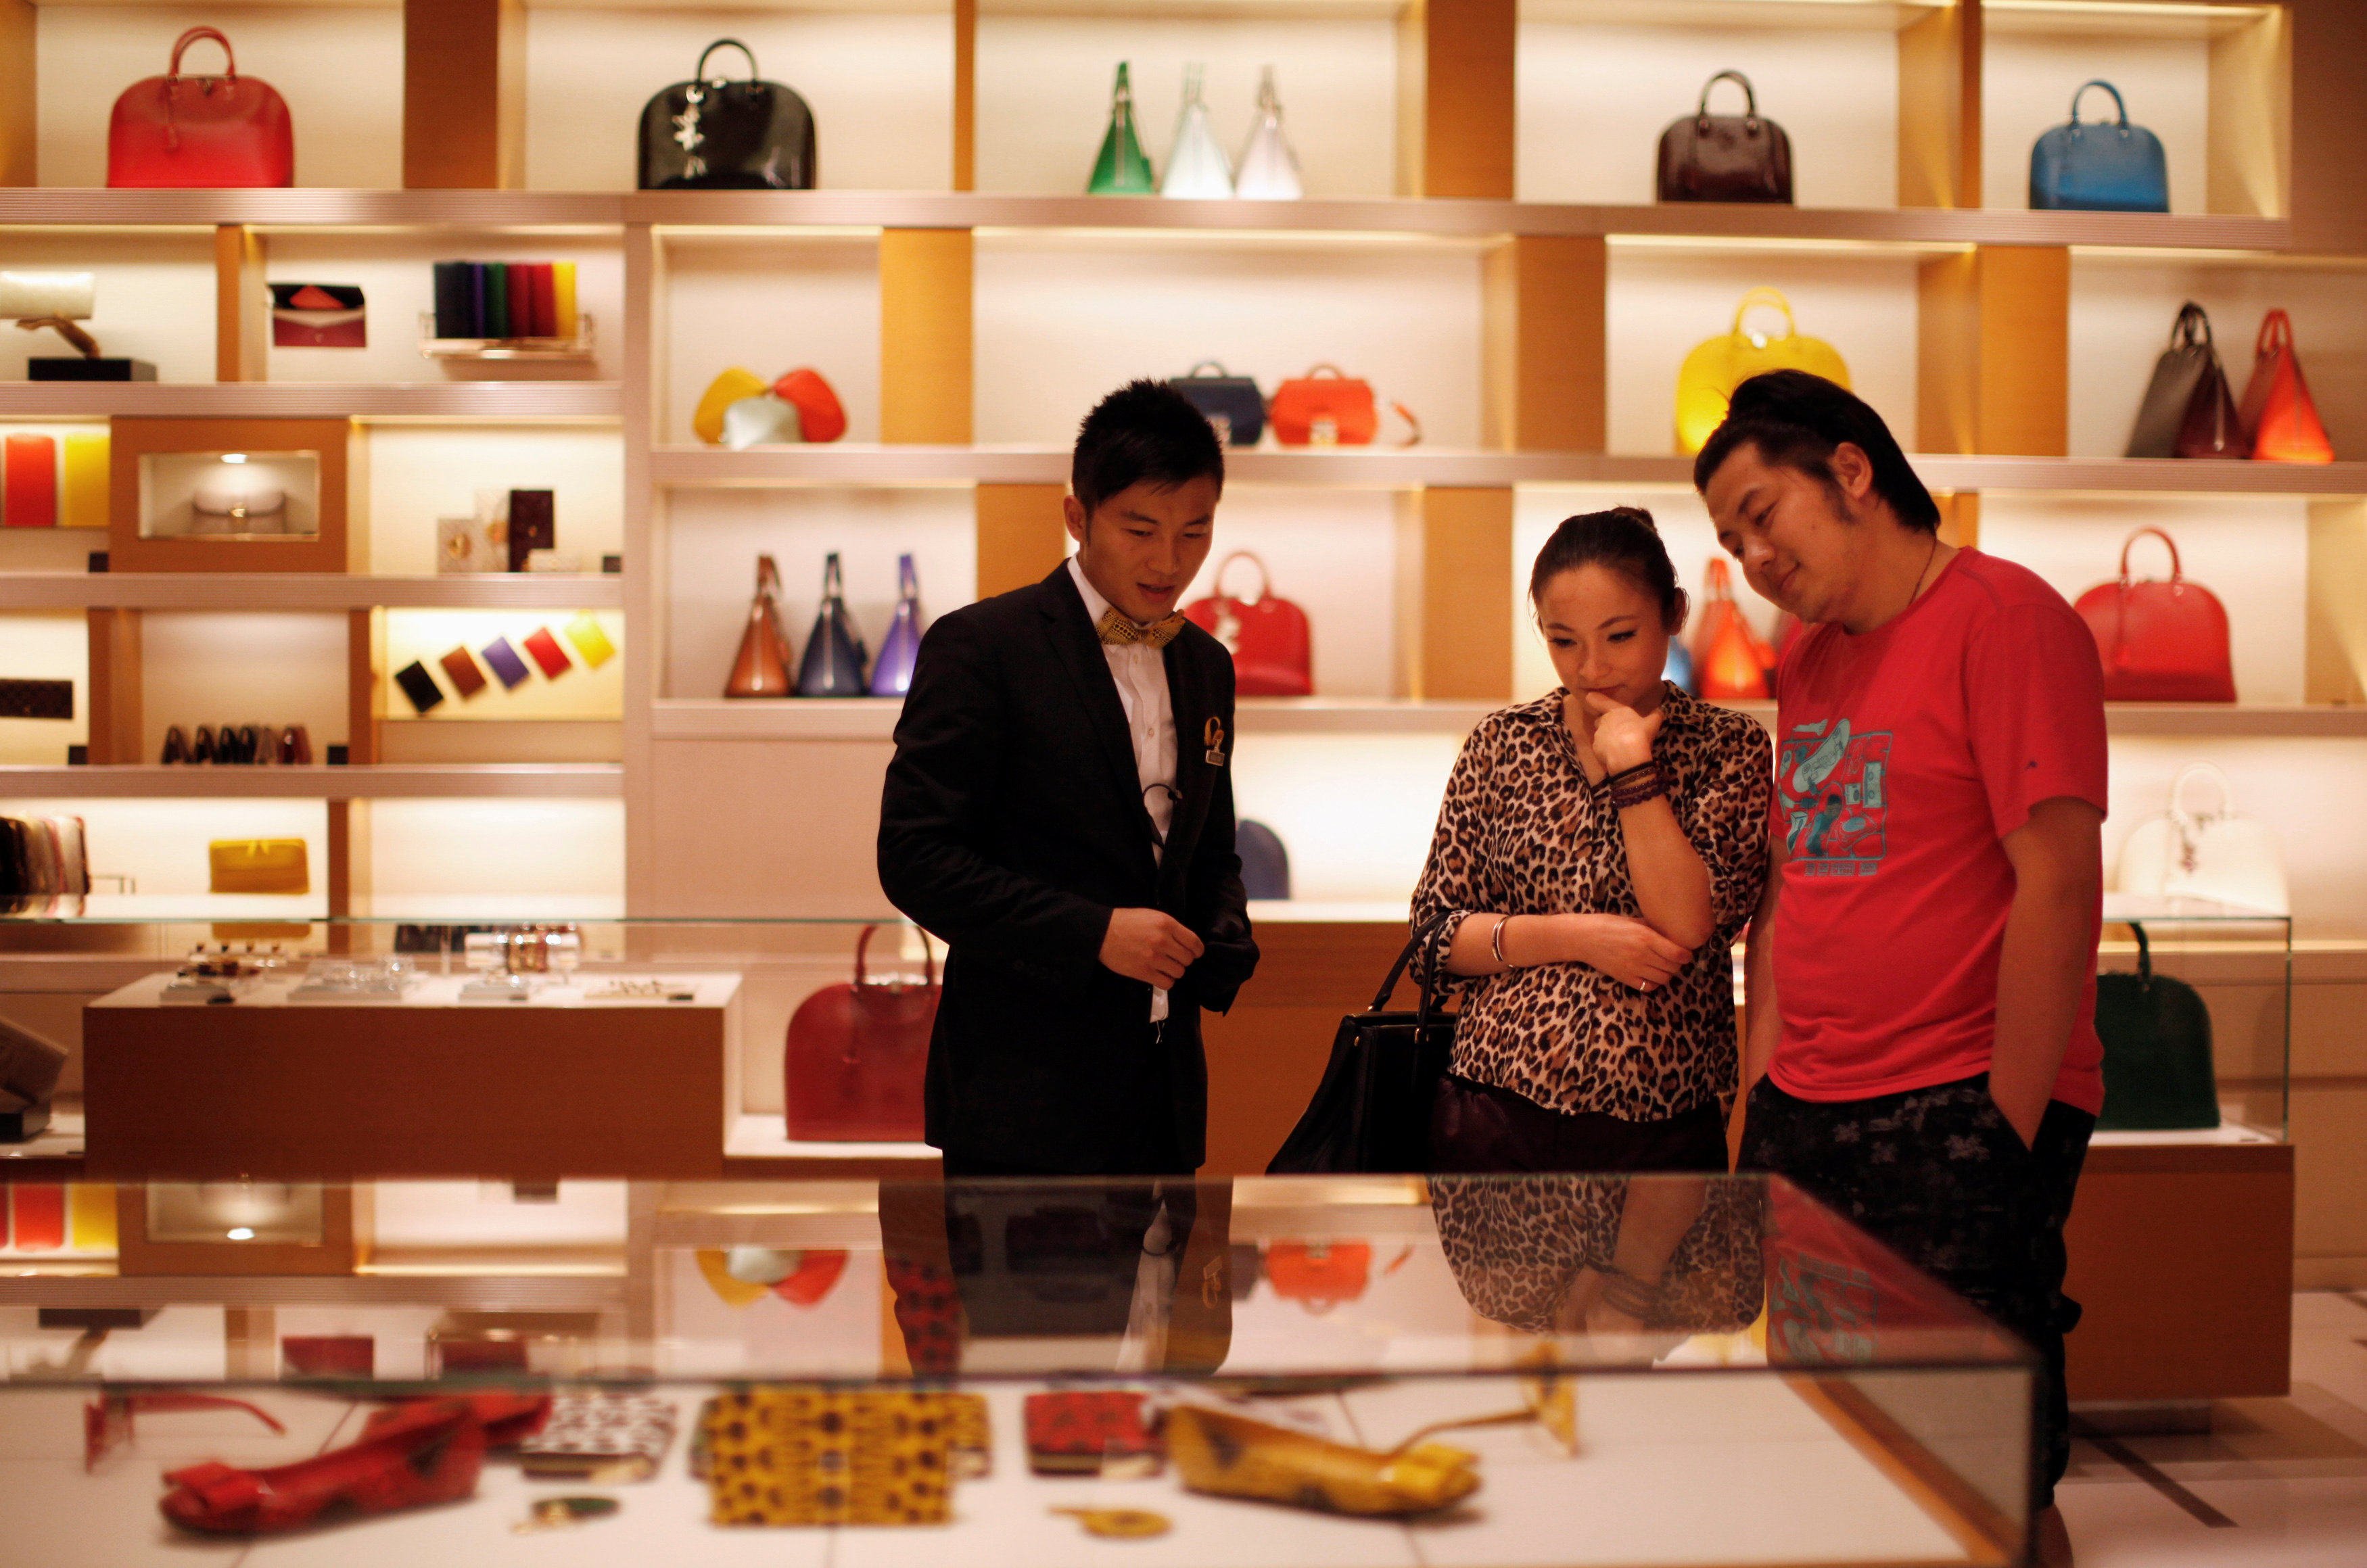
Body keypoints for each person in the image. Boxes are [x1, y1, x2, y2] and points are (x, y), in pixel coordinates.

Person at [1697, 369, 2106, 1561]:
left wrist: (2003, 1130)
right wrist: (1760, 1089)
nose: (1754, 557)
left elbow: (2059, 883)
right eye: (1731, 541)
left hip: (1958, 1100)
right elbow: (1795, 882)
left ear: (1852, 469)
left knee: (1987, 1463)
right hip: (1807, 1102)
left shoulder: (2007, 618)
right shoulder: (1808, 655)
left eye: (1762, 514)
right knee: (1830, 1437)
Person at [877, 380, 1258, 1178]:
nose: (1169, 561)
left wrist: (1223, 934)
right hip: (1019, 1095)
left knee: (1182, 1270)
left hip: (1165, 1096)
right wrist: (1093, 934)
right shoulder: (982, 647)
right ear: (1077, 517)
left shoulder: (1205, 664)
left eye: (1194, 532)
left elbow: (1208, 847)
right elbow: (915, 859)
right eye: (1140, 529)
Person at [1412, 507, 1772, 1216]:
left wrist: (1633, 768)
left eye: (1620, 636)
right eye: (1562, 640)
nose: (1591, 668)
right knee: (1505, 1296)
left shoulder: (1727, 746)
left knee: (1653, 1296)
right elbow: (1432, 938)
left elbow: (1690, 921)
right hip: (1495, 1112)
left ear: (1673, 613)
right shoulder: (1502, 742)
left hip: (1661, 1120)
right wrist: (1578, 937)